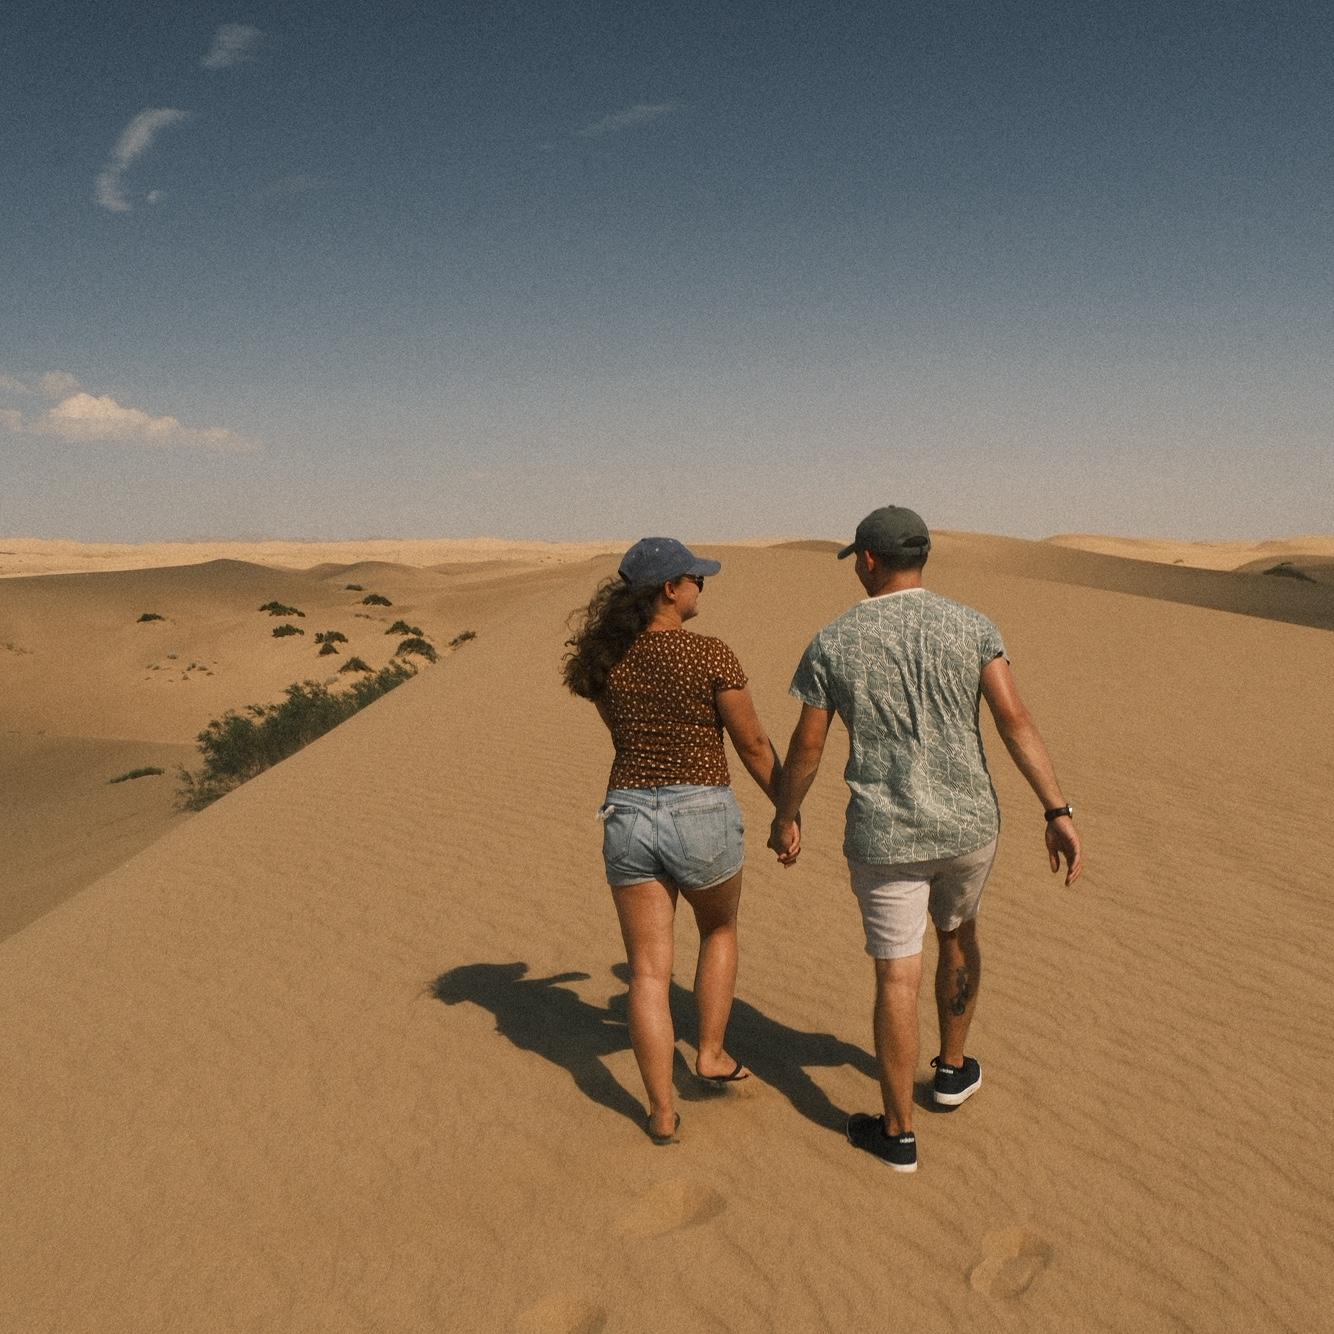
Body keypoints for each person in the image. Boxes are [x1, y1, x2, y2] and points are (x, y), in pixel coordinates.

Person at [767, 506, 1082, 1172]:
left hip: (885, 836)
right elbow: (1015, 719)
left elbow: (808, 746)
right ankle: (953, 1068)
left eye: (858, 556)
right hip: (970, 828)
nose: (856, 565)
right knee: (958, 933)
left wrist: (786, 814)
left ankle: (898, 1132)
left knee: (896, 975)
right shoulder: (972, 626)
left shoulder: (835, 640)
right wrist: (1057, 808)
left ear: (872, 560)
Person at [564, 537, 785, 1145]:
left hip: (630, 815)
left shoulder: (608, 662)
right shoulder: (710, 654)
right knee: (718, 930)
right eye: (696, 578)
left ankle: (661, 1112)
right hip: (701, 811)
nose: (701, 586)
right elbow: (756, 747)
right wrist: (787, 810)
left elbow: (623, 738)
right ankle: (709, 1054)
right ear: (669, 588)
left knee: (648, 975)